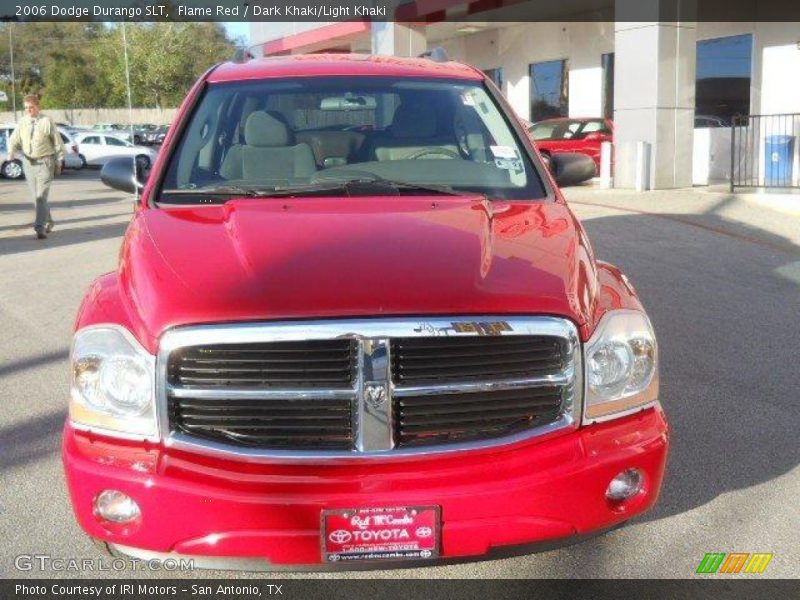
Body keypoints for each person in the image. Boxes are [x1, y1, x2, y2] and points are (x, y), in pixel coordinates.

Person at [8, 93, 65, 239]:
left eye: (31, 107)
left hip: (45, 163)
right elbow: (14, 139)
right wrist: (11, 153)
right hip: (28, 163)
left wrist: (59, 161)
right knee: (37, 198)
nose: (28, 110)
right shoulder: (22, 122)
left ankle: (39, 227)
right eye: (26, 108)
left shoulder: (47, 121)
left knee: (40, 196)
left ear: (37, 107)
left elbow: (58, 142)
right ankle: (49, 221)